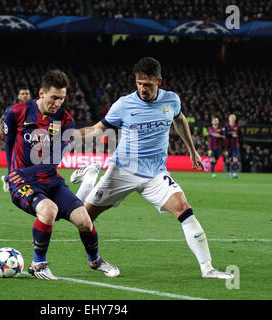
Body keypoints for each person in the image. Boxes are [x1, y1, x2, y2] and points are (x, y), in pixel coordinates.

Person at [70, 57, 233, 280]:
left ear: (159, 81)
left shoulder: (171, 100)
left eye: (148, 84)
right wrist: (66, 137)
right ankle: (94, 257)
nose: (143, 89)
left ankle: (208, 268)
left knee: (184, 209)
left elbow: (180, 119)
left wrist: (192, 150)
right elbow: (97, 130)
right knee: (83, 218)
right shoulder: (123, 104)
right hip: (122, 172)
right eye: (139, 83)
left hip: (155, 173)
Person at [4, 69, 119, 280]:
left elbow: (54, 160)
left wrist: (23, 171)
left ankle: (94, 260)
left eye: (62, 98)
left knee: (84, 220)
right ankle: (38, 264)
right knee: (49, 210)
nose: (57, 103)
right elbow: (9, 141)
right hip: (23, 184)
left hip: (50, 180)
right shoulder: (17, 112)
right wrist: (11, 173)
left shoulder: (65, 121)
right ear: (41, 93)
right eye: (54, 98)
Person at [0, 86, 32, 192]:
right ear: (18, 96)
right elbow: (2, 119)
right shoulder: (13, 108)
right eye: (23, 94)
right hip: (13, 141)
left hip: (27, 141)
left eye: (27, 94)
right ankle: (12, 183)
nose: (25, 96)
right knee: (12, 167)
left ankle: (7, 178)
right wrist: (0, 129)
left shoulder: (34, 108)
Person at [224, 114, 243, 179]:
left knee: (235, 159)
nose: (232, 120)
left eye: (233, 119)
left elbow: (241, 135)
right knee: (228, 160)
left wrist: (242, 142)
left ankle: (235, 173)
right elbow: (224, 134)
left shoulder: (237, 126)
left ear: (234, 120)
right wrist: (231, 134)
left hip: (235, 145)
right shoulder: (226, 126)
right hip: (228, 146)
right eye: (231, 119)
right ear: (229, 119)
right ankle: (228, 173)